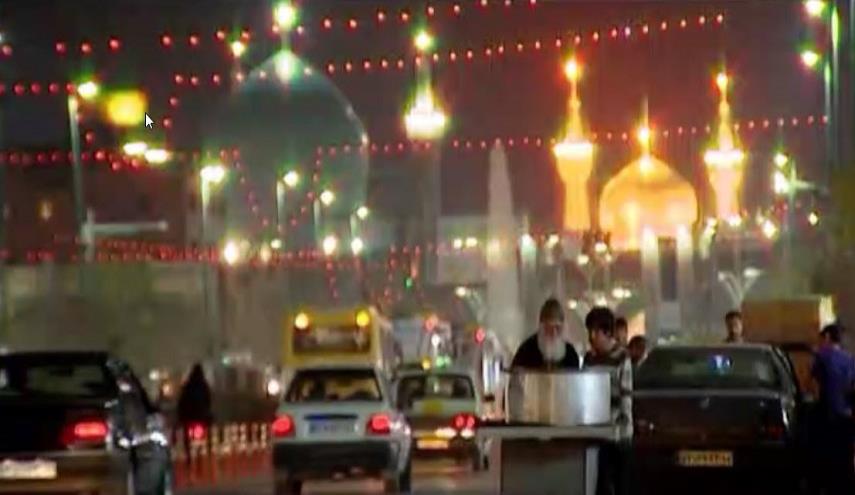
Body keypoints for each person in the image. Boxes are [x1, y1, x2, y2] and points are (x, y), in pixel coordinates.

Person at [583, 307, 632, 495]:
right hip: (596, 432)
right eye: (590, 331)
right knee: (600, 485)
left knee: (621, 485)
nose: (592, 337)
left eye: (596, 332)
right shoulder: (589, 358)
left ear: (608, 333)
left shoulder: (622, 357)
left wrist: (622, 426)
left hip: (618, 434)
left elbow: (626, 394)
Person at [810, 324, 855, 494]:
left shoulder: (821, 356)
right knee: (845, 461)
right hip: (847, 418)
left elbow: (813, 387)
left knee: (826, 461)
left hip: (827, 416)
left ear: (827, 337)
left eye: (821, 339)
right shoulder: (850, 359)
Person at [511, 298, 580, 370]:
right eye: (549, 328)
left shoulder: (571, 354)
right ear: (541, 327)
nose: (554, 333)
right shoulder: (526, 351)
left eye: (557, 328)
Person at [177, 363, 213, 463]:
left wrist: (180, 415)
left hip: (189, 416)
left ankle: (188, 455)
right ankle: (208, 449)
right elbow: (208, 401)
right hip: (201, 415)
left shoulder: (187, 385)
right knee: (208, 430)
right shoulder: (204, 386)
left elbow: (182, 402)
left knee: (186, 434)